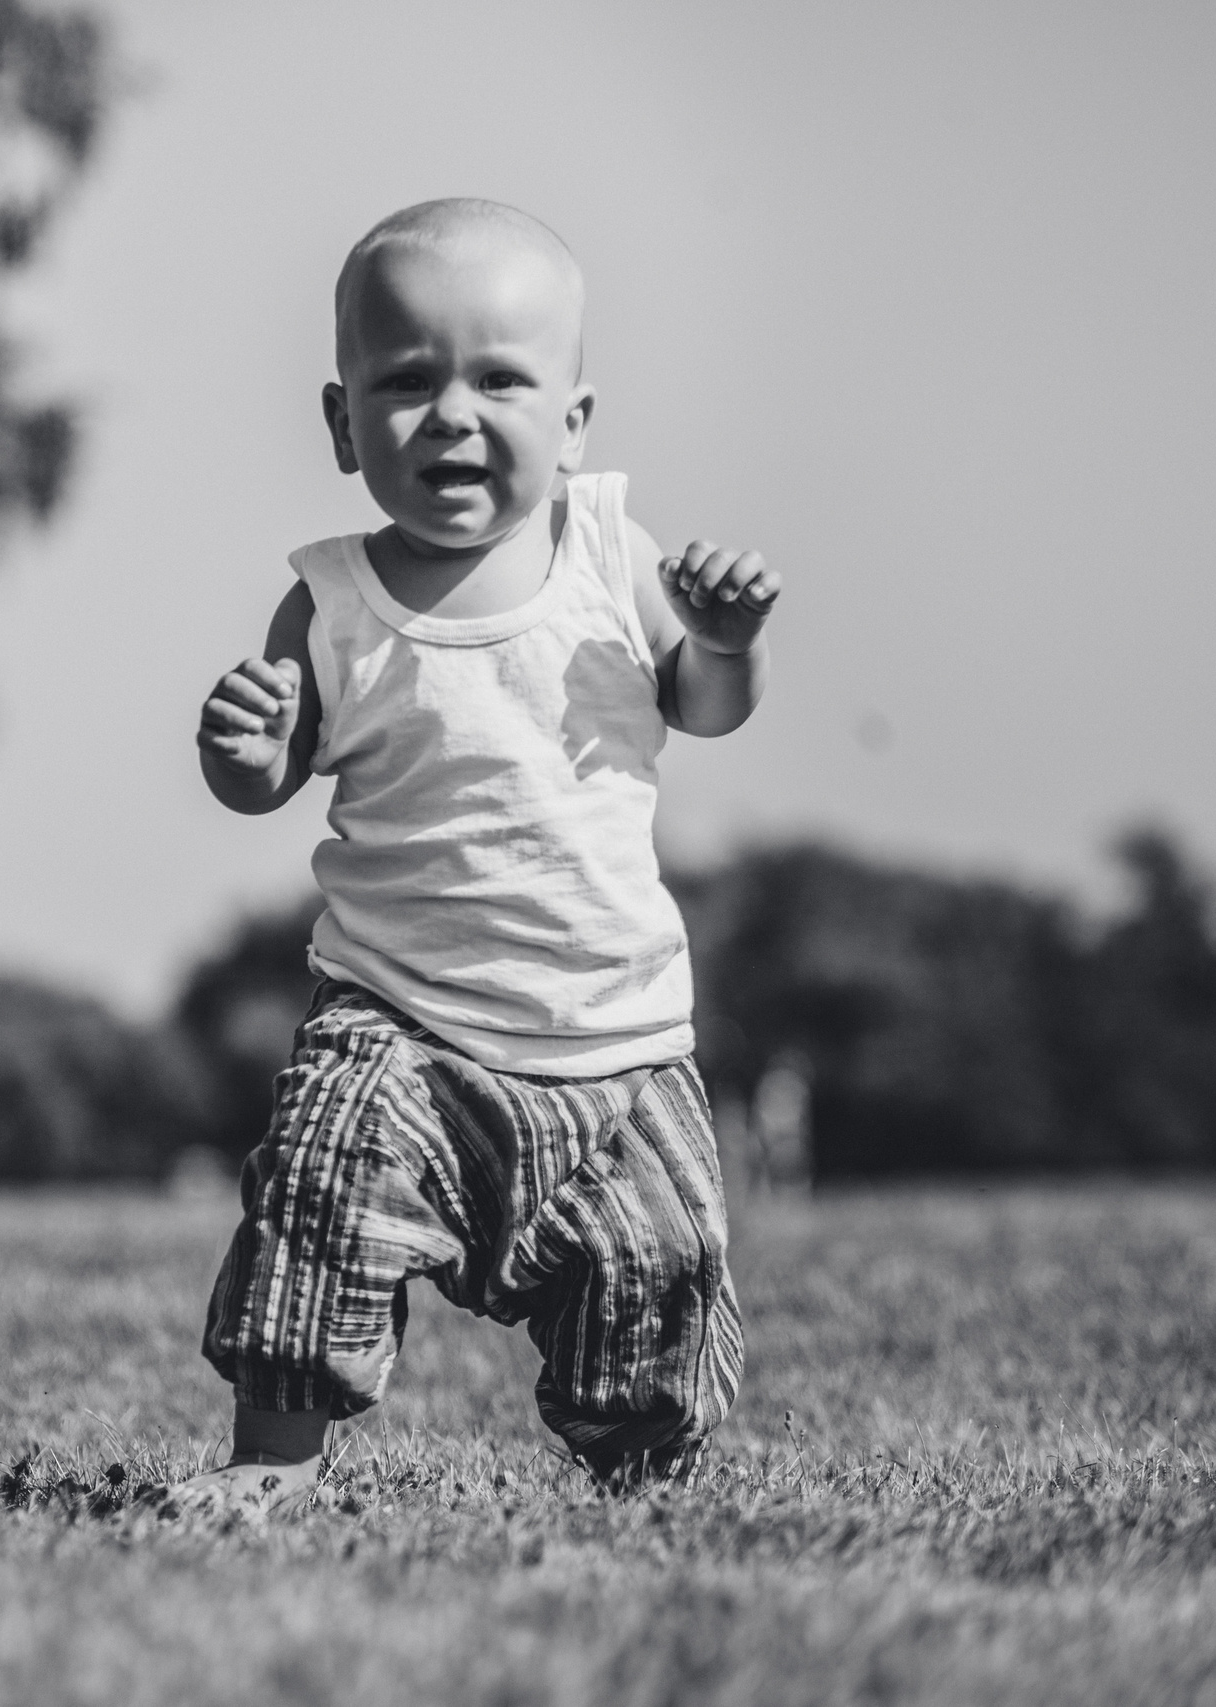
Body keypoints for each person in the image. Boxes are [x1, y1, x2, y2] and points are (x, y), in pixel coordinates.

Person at [187, 199, 777, 1506]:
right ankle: (270, 1465)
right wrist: (244, 744)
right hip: (395, 1026)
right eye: (406, 385)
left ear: (572, 421)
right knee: (314, 1207)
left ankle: (644, 1470)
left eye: (500, 381)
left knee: (656, 1270)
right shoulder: (332, 601)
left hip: (615, 1041)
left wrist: (725, 641)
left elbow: (705, 703)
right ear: (345, 426)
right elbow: (263, 781)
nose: (452, 415)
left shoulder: (611, 560)